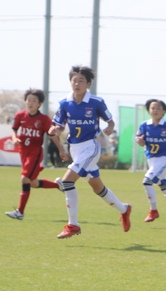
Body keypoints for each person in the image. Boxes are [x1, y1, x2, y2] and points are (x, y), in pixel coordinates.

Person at [48, 65, 132, 239]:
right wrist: (55, 129)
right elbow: (59, 124)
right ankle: (124, 209)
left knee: (67, 182)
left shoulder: (96, 102)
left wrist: (109, 127)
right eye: (74, 80)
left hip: (90, 148)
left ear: (88, 84)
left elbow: (110, 121)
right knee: (98, 188)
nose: (77, 84)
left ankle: (73, 225)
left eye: (81, 80)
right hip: (75, 149)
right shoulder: (65, 102)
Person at [5, 88, 68, 220]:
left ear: (39, 104)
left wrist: (61, 150)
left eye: (34, 100)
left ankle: (20, 212)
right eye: (29, 100)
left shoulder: (43, 119)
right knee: (32, 182)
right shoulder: (20, 116)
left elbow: (52, 136)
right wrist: (14, 138)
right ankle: (59, 185)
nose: (31, 103)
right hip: (24, 152)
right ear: (25, 101)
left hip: (35, 152)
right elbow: (14, 130)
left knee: (24, 179)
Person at [135, 99, 166, 225]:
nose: (155, 110)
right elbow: (139, 139)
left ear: (163, 111)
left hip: (163, 161)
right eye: (152, 108)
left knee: (147, 182)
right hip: (151, 161)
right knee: (163, 186)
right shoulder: (144, 125)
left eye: (158, 108)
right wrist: (140, 142)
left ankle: (153, 211)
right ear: (148, 110)